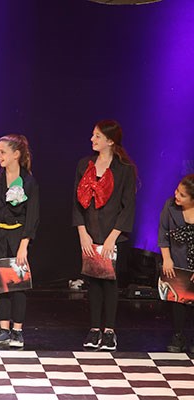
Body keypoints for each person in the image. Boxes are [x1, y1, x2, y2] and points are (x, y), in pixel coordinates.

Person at [73, 119, 137, 351]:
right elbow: (76, 202)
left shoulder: (124, 169)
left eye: (97, 136)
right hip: (90, 232)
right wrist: (82, 232)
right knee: (93, 282)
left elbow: (128, 206)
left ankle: (109, 330)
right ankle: (94, 329)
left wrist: (112, 237)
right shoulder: (85, 164)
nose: (92, 139)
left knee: (110, 282)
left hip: (113, 234)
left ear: (110, 141)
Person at [0, 134, 39, 348]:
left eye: (3, 152)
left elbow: (32, 217)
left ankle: (17, 331)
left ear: (16, 154)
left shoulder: (28, 182)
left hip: (17, 237)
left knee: (17, 285)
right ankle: (3, 329)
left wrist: (24, 246)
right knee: (2, 285)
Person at [159, 174, 194, 352]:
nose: (176, 195)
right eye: (177, 191)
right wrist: (167, 258)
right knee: (178, 300)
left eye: (182, 195)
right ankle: (178, 335)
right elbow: (163, 234)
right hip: (178, 260)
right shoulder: (170, 206)